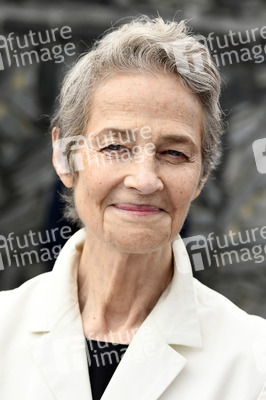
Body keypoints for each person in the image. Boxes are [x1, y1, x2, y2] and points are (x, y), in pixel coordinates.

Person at [1, 15, 266, 400]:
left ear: (203, 173)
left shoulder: (253, 362)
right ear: (63, 156)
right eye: (114, 147)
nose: (144, 180)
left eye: (174, 152)